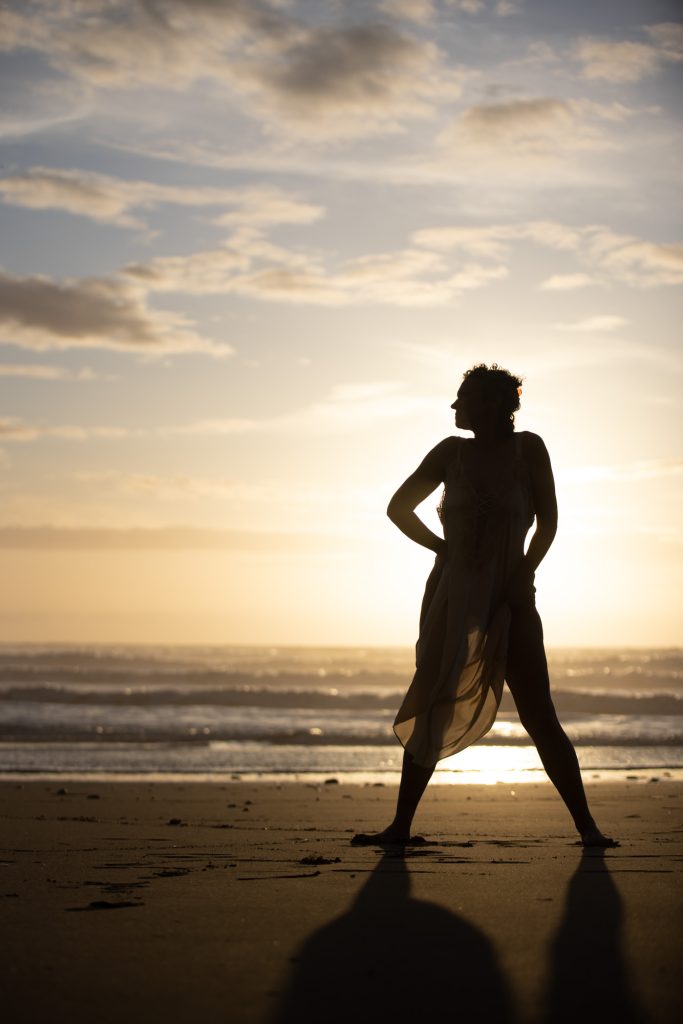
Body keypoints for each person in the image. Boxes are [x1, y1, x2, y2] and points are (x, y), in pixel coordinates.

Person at [353, 363, 616, 848]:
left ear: (494, 404)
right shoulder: (450, 453)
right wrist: (442, 549)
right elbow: (397, 507)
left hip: (511, 595)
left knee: (539, 713)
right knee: (432, 699)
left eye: (464, 397)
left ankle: (588, 827)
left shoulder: (528, 449)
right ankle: (400, 827)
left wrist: (524, 572)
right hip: (453, 599)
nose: (454, 407)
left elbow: (549, 522)